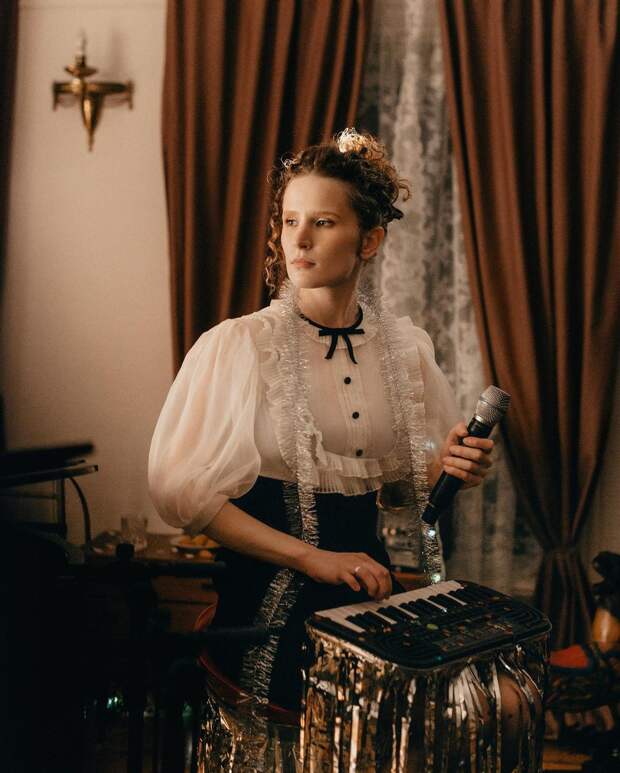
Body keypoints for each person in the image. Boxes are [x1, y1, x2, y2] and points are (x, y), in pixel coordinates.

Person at [148, 129, 494, 712]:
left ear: (370, 240)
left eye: (323, 223)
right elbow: (184, 494)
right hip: (268, 606)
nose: (299, 239)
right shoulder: (239, 346)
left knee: (481, 700)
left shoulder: (404, 351)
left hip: (369, 595)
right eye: (290, 221)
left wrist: (452, 467)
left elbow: (402, 491)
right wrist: (312, 558)